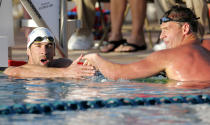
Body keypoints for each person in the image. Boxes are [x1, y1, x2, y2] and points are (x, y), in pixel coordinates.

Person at [83, 6, 210, 88]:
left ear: (185, 28)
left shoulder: (168, 56)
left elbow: (118, 74)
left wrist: (95, 59)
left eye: (166, 29)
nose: (161, 36)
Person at [4, 27, 96, 78]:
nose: (44, 52)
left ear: (54, 52)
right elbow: (15, 72)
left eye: (49, 46)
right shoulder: (15, 70)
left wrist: (89, 67)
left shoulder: (61, 64)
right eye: (38, 46)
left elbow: (76, 69)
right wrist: (65, 73)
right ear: (28, 51)